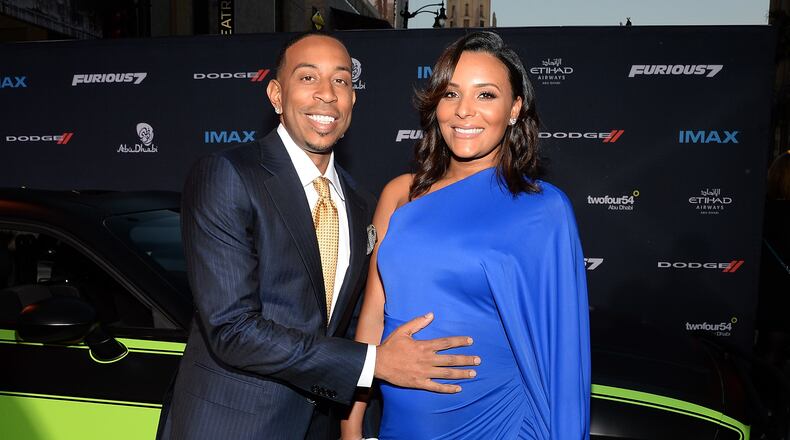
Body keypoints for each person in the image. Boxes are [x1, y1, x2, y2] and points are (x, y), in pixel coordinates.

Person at [160, 32, 480, 440]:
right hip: (233, 425)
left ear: (353, 99)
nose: (327, 94)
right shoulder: (228, 175)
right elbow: (232, 329)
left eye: (341, 81)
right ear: (276, 94)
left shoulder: (360, 201)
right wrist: (374, 363)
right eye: (308, 78)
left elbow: (345, 322)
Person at [341, 31, 591, 439]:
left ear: (515, 109)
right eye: (451, 94)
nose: (464, 112)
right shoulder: (400, 194)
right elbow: (372, 314)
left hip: (499, 423)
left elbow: (564, 351)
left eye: (486, 95)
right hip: (401, 426)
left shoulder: (542, 210)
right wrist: (350, 427)